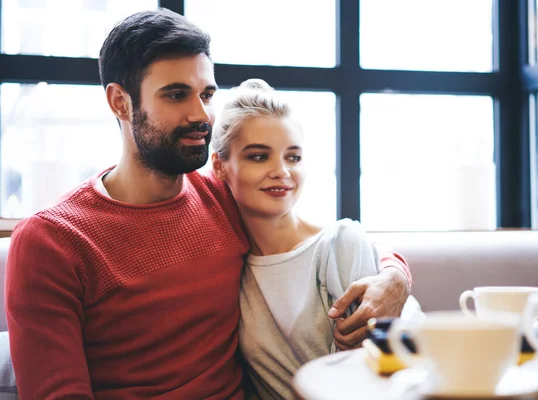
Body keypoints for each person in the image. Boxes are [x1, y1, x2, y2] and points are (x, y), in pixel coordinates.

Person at [5, 8, 411, 400]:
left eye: (207, 94)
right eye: (177, 95)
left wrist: (395, 277)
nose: (201, 114)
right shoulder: (51, 242)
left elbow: (327, 242)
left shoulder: (221, 196)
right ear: (120, 102)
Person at [210, 79, 410, 399]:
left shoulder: (340, 244)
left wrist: (397, 273)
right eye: (259, 157)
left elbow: (372, 378)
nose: (281, 171)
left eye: (293, 157)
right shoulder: (230, 267)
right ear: (219, 166)